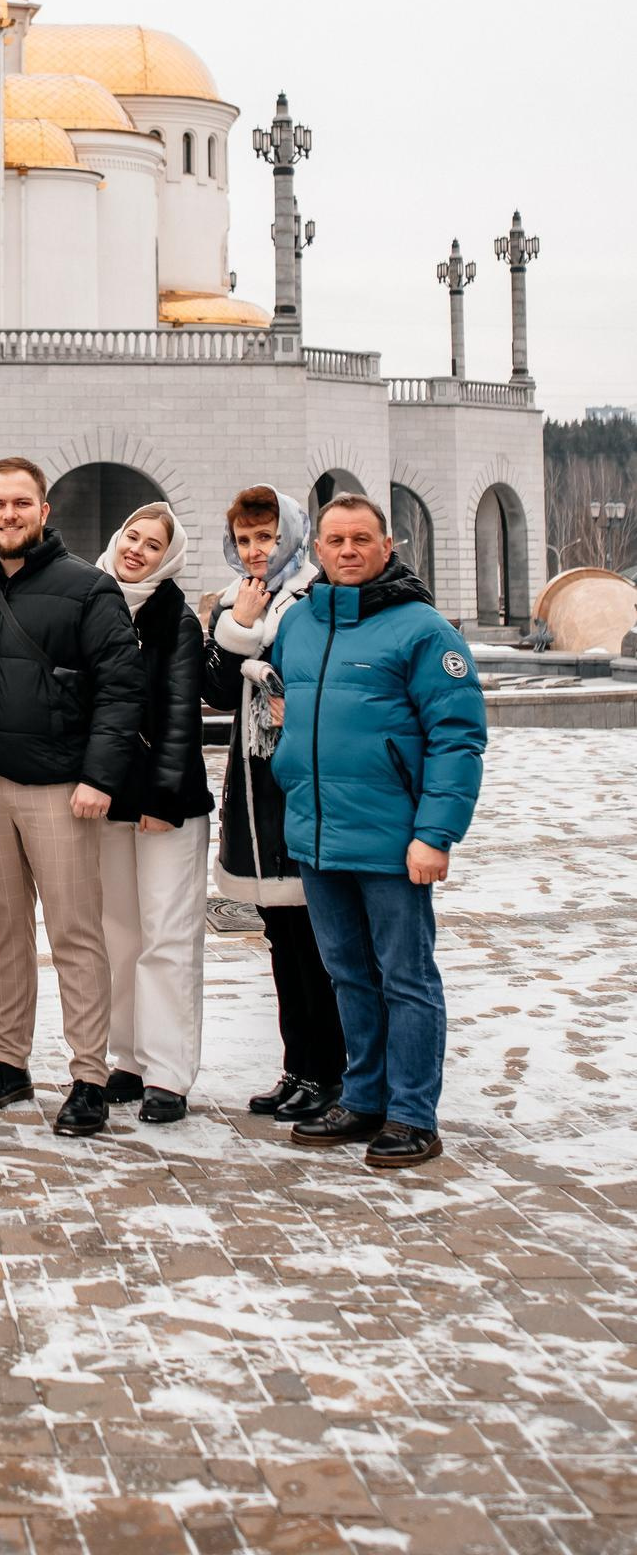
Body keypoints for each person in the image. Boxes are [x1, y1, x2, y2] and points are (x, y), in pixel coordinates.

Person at [272, 494, 487, 1169]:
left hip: (395, 841)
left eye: (361, 539)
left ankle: (413, 1114)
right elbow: (284, 709)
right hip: (317, 835)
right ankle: (363, 1096)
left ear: (386, 546)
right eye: (334, 540)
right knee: (347, 975)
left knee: (406, 977)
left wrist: (437, 834)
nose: (347, 550)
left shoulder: (423, 630)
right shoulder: (300, 623)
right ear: (319, 550)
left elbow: (458, 738)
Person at [0, 457, 146, 1137]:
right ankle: (9, 1061)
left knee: (75, 934)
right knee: (2, 932)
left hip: (62, 788)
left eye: (20, 503)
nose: (8, 514)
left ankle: (88, 1074)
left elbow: (123, 690)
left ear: (43, 510)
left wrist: (99, 776)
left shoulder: (89, 589)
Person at [202, 485, 346, 1122]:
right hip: (255, 783)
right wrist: (238, 629)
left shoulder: (314, 597)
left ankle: (330, 1071)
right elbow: (212, 688)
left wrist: (269, 674)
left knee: (318, 938)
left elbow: (320, 677)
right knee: (281, 934)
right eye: (245, 540)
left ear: (291, 535)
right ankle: (298, 1066)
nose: (256, 551)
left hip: (301, 777)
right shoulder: (236, 601)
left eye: (266, 537)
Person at [95, 503, 211, 1125]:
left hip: (166, 803)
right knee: (120, 933)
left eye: (153, 544)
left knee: (167, 933)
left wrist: (162, 799)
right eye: (131, 536)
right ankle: (128, 1059)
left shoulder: (176, 621)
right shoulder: (93, 603)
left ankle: (168, 1072)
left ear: (170, 558)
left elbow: (178, 718)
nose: (137, 549)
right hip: (108, 798)